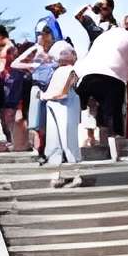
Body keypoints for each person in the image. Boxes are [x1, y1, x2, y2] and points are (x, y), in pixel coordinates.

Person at [79, 9, 128, 161]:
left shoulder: (104, 35)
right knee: (113, 115)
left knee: (94, 110)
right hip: (111, 78)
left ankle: (97, 145)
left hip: (87, 76)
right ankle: (114, 154)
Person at [43, 39, 84, 182]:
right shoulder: (58, 71)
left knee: (68, 139)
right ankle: (57, 174)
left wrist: (45, 96)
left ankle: (76, 174)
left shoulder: (72, 71)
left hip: (66, 103)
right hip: (54, 103)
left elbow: (63, 91)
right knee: (54, 140)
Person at [25, 21, 59, 158]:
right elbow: (17, 63)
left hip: (51, 89)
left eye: (44, 34)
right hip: (38, 87)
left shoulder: (55, 50)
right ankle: (40, 150)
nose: (42, 37)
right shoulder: (35, 50)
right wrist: (29, 67)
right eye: (39, 34)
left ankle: (46, 149)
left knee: (49, 121)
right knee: (37, 121)